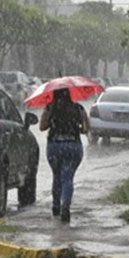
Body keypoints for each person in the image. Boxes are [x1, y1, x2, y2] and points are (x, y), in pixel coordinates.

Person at [39, 88, 89, 223]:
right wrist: (77, 127)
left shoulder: (50, 108)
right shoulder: (78, 108)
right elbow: (86, 129)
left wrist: (52, 123)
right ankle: (65, 207)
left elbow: (42, 127)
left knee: (57, 176)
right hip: (73, 145)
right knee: (67, 177)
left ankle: (56, 206)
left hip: (54, 146)